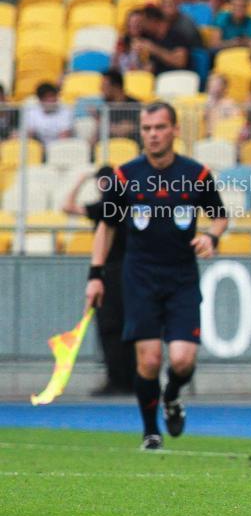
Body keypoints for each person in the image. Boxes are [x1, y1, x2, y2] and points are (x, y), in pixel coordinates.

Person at [84, 102, 228, 450]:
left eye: (160, 127)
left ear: (174, 130)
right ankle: (151, 432)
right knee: (149, 360)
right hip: (140, 278)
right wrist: (95, 275)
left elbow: (220, 216)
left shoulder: (196, 174)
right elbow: (106, 227)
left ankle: (172, 395)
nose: (152, 135)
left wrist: (211, 236)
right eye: (147, 128)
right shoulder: (125, 176)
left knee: (182, 360)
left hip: (181, 278)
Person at [64, 166, 135, 396]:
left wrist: (80, 180)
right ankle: (131, 380)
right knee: (128, 326)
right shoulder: (122, 205)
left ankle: (120, 380)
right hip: (129, 271)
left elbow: (67, 207)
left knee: (112, 327)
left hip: (113, 271)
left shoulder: (106, 207)